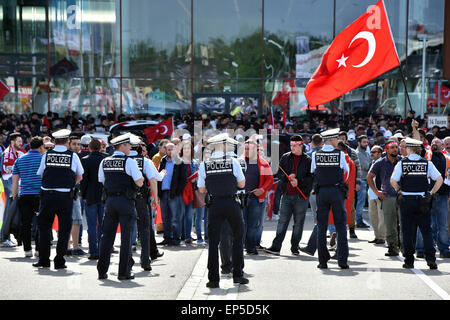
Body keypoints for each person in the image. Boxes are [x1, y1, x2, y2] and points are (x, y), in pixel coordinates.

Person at [197, 133, 248, 288]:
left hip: (214, 203)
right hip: (231, 202)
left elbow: (201, 188)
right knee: (238, 238)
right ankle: (238, 274)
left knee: (213, 241)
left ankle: (213, 279)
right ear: (224, 145)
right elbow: (242, 184)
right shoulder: (233, 161)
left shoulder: (204, 164)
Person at [33, 129, 84, 269]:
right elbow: (80, 176)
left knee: (44, 228)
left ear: (54, 142)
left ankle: (43, 260)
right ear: (67, 141)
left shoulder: (47, 155)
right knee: (64, 229)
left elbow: (41, 174)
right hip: (65, 197)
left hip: (47, 196)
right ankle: (59, 260)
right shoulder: (73, 156)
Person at [97, 133, 144, 280]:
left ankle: (102, 271)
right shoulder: (129, 162)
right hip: (126, 201)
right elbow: (139, 182)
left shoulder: (105, 161)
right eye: (128, 145)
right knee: (126, 237)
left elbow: (102, 181)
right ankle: (123, 272)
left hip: (110, 201)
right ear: (122, 146)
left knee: (107, 237)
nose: (130, 147)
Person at [390, 138, 442, 270]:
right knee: (426, 231)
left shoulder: (402, 163)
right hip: (423, 200)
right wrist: (431, 193)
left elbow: (393, 180)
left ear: (409, 149)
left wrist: (399, 190)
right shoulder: (427, 163)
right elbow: (439, 179)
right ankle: (431, 260)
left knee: (407, 232)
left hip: (407, 201)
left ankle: (409, 261)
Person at [264, 135, 312, 256]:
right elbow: (279, 173)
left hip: (301, 197)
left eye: (295, 146)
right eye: (291, 145)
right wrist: (287, 177)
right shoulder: (285, 157)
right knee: (282, 221)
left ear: (301, 145)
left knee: (298, 223)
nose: (292, 148)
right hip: (286, 194)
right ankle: (276, 247)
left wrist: (298, 181)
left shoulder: (308, 160)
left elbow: (312, 178)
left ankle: (294, 247)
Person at [311, 128, 349, 269]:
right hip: (336, 190)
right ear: (332, 140)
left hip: (321, 192)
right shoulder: (340, 155)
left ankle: (322, 261)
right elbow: (347, 172)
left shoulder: (316, 154)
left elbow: (313, 171)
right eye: (337, 139)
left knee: (322, 227)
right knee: (340, 225)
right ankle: (342, 260)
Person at [129, 134, 163, 271]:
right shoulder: (145, 161)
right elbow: (154, 179)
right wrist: (155, 198)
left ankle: (126, 262)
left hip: (126, 199)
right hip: (141, 198)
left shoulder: (121, 159)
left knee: (127, 229)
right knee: (144, 228)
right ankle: (145, 260)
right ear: (138, 147)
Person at [415, 138, 450, 258]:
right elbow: (418, 142)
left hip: (443, 196)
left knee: (443, 224)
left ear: (442, 146)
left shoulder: (447, 159)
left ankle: (444, 248)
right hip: (427, 195)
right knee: (424, 223)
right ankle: (420, 248)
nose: (434, 144)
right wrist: (415, 129)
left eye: (437, 143)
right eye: (432, 143)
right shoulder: (426, 155)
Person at [11, 136, 45, 257]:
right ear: (41, 147)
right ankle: (38, 249)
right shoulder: (43, 159)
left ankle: (27, 250)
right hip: (40, 195)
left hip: (24, 195)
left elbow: (15, 182)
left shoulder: (20, 160)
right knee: (41, 223)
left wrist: (14, 197)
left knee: (26, 223)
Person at [368, 139, 402, 257]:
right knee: (389, 223)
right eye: (392, 147)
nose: (395, 149)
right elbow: (369, 177)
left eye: (396, 147)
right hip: (387, 196)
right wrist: (376, 192)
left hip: (401, 196)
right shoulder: (380, 163)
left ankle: (403, 246)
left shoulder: (402, 161)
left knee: (403, 223)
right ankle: (392, 247)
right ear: (386, 150)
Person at [242, 139, 273, 254]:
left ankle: (250, 247)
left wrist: (262, 189)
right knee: (241, 223)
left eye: (248, 149)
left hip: (256, 198)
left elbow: (269, 180)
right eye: (244, 148)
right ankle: (241, 246)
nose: (245, 151)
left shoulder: (263, 163)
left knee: (254, 224)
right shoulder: (240, 162)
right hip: (242, 197)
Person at [80, 138, 107, 260]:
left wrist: (83, 195)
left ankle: (93, 250)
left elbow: (83, 181)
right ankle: (103, 249)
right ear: (101, 147)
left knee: (91, 224)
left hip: (90, 195)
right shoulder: (106, 158)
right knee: (103, 224)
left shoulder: (85, 160)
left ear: (89, 148)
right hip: (104, 195)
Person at [157, 142, 187, 246]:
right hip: (163, 192)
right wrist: (158, 192)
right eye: (168, 149)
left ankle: (176, 239)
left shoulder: (180, 162)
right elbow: (159, 176)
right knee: (165, 218)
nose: (170, 151)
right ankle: (167, 238)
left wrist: (177, 192)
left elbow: (184, 180)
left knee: (175, 218)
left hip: (174, 194)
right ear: (165, 150)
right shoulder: (163, 161)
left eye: (172, 149)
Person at [1, 132, 25, 247]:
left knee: (11, 213)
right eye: (19, 141)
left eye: (21, 141)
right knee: (8, 213)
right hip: (11, 187)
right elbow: (6, 175)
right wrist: (16, 189)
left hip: (15, 186)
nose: (21, 143)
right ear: (12, 142)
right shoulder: (7, 154)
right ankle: (3, 237)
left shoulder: (17, 152)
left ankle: (7, 236)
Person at [67, 135, 86, 256]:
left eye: (79, 144)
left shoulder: (81, 156)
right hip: (71, 192)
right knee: (72, 220)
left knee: (76, 221)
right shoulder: (71, 156)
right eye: (74, 144)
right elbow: (80, 177)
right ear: (68, 144)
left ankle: (74, 246)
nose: (77, 146)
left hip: (77, 193)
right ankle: (70, 247)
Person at [366, 145, 385, 244]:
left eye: (374, 152)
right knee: (373, 216)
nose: (371, 153)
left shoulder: (383, 163)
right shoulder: (372, 163)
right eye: (371, 152)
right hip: (371, 193)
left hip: (380, 193)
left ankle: (382, 236)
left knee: (381, 216)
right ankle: (377, 236)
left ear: (380, 153)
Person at [355, 135, 371, 228]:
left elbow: (368, 166)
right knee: (360, 202)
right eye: (364, 142)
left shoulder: (366, 153)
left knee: (361, 201)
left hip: (366, 179)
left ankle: (359, 220)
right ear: (359, 143)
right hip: (360, 180)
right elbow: (364, 167)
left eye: (366, 142)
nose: (366, 144)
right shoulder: (357, 153)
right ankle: (359, 220)